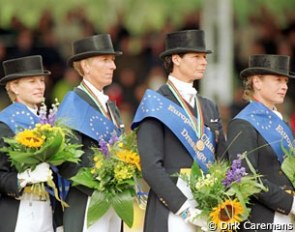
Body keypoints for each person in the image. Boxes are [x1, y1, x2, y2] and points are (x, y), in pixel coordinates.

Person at [131, 29, 226, 232]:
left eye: (204, 57)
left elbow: (223, 158)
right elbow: (151, 167)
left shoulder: (208, 106)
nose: (204, 62)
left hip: (209, 204)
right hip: (171, 208)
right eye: (196, 56)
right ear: (176, 59)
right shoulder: (156, 104)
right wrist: (185, 210)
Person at [56, 34, 124, 232]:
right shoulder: (73, 103)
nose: (113, 66)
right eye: (105, 60)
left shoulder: (111, 106)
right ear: (85, 66)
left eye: (112, 60)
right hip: (88, 201)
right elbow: (66, 162)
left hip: (115, 201)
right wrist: (102, 183)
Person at [226, 54, 295, 231]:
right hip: (258, 221)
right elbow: (244, 178)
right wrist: (290, 203)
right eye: (278, 80)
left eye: (286, 81)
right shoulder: (242, 123)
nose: (284, 86)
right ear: (257, 82)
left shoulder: (282, 124)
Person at [0, 55, 62, 232]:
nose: (40, 86)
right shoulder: (5, 124)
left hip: (48, 211)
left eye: (41, 80)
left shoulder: (49, 124)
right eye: (32, 81)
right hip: (20, 211)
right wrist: (24, 178)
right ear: (14, 87)